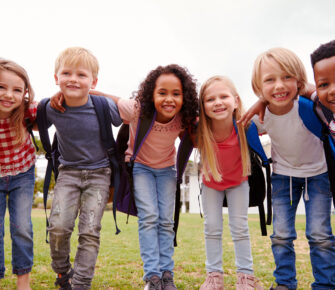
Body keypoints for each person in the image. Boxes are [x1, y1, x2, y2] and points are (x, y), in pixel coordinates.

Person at [88, 64, 198, 290]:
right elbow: (109, 97)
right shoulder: (137, 109)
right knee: (149, 218)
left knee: (166, 222)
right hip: (141, 169)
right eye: (162, 93)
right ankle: (153, 277)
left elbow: (200, 135)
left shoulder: (182, 118)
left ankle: (167, 276)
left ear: (184, 97)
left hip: (167, 170)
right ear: (151, 94)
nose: (169, 99)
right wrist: (81, 90)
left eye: (176, 94)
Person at [251, 47, 335, 290]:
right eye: (270, 80)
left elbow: (320, 95)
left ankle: (326, 284)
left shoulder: (312, 106)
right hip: (282, 177)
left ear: (298, 80)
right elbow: (240, 131)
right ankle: (285, 283)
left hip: (318, 175)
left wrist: (304, 87)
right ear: (259, 86)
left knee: (320, 235)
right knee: (281, 235)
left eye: (287, 77)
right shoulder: (258, 116)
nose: (279, 85)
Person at [46, 47, 122, 290]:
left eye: (82, 75)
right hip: (68, 174)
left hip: (99, 175)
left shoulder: (103, 106)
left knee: (89, 231)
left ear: (94, 81)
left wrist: (98, 93)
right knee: (58, 226)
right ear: (56, 77)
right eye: (66, 73)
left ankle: (80, 284)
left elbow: (127, 113)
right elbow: (31, 122)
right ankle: (62, 273)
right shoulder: (50, 107)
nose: (73, 79)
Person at [196, 76, 263, 290]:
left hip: (238, 182)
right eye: (210, 99)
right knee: (212, 227)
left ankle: (245, 277)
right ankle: (214, 276)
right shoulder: (199, 129)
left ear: (235, 100)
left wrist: (261, 101)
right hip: (210, 183)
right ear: (203, 106)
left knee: (240, 227)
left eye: (223, 96)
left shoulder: (246, 124)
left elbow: (276, 108)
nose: (218, 102)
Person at [0, 59, 36, 290]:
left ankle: (23, 280)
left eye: (16, 90)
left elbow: (59, 103)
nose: (9, 95)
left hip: (23, 173)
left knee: (22, 226)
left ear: (25, 94)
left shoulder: (27, 111)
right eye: (1, 87)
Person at [310, 39, 335, 139]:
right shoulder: (328, 109)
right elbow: (305, 88)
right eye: (324, 85)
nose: (333, 90)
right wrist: (264, 101)